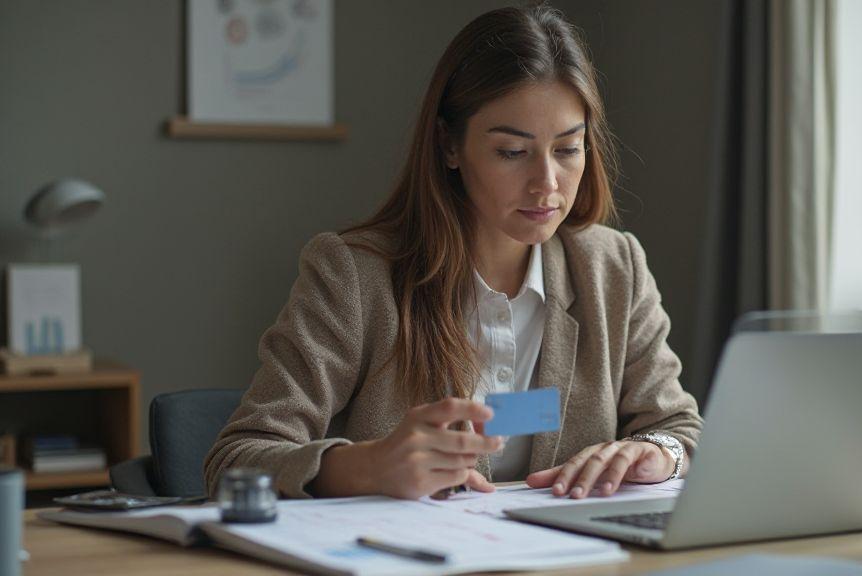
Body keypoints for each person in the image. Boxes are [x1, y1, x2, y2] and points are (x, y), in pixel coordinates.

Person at [204, 3, 703, 501]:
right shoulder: (354, 275)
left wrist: (658, 452)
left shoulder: (614, 267)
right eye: (512, 152)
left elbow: (681, 427)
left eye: (568, 149)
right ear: (448, 145)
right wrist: (366, 466)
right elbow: (238, 459)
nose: (547, 183)